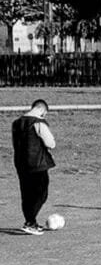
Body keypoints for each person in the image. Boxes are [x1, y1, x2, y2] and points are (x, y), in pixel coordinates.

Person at [12, 98, 56, 235]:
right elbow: (50, 143)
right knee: (41, 193)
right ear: (43, 110)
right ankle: (30, 223)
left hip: (21, 163)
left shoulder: (16, 123)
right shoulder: (38, 122)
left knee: (26, 194)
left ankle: (31, 221)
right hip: (37, 163)